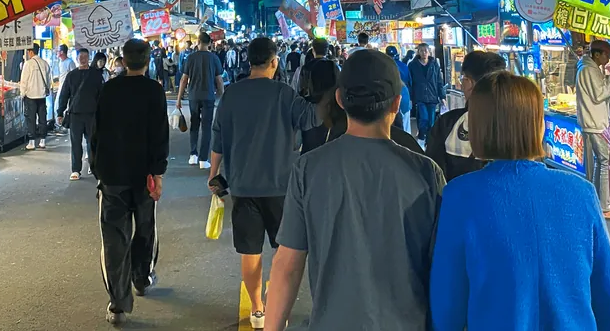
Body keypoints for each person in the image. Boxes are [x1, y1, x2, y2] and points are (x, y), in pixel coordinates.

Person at [429, 72, 610, 331]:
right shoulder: (581, 193)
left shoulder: (459, 196)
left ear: (476, 127)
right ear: (538, 125)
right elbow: (608, 298)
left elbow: (448, 306)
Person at [265, 49, 443, 331]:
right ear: (397, 103)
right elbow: (443, 268)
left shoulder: (308, 169)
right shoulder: (426, 172)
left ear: (339, 99)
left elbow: (287, 265)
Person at [209, 37, 317, 330]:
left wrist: (213, 173)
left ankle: (257, 309)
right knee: (284, 253)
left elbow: (218, 138)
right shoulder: (284, 93)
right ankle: (278, 309)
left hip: (242, 186)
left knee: (250, 251)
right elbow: (311, 120)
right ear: (274, 61)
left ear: (248, 61)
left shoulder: (231, 94)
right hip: (281, 188)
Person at [92, 40, 169, 324]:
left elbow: (95, 132)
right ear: (148, 60)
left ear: (123, 60)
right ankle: (141, 277)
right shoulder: (154, 90)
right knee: (146, 227)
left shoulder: (109, 89)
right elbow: (160, 134)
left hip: (111, 176)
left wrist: (96, 168)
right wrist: (158, 173)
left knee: (114, 238)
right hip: (145, 176)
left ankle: (118, 303)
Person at [426, 49, 507, 181]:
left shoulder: (448, 124)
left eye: (463, 78)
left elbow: (433, 175)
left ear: (469, 83)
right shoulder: (517, 122)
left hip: (455, 199)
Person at [577, 39, 610, 218]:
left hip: (591, 122)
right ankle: (605, 205)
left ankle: (596, 200)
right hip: (595, 123)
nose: (607, 58)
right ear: (597, 54)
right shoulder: (589, 70)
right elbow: (599, 94)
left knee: (599, 163)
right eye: (606, 55)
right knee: (604, 162)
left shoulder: (585, 68)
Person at [176, 31, 225, 168]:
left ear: (198, 42)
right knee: (207, 127)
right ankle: (203, 159)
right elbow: (219, 80)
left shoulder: (190, 58)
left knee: (194, 124)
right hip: (208, 96)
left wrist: (179, 99)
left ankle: (193, 155)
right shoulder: (214, 58)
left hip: (193, 96)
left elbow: (184, 79)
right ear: (210, 43)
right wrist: (223, 98)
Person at [58, 48, 106, 180]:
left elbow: (102, 95)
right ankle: (76, 170)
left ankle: (93, 165)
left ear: (88, 57)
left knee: (92, 142)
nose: (83, 59)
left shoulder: (96, 75)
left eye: (85, 56)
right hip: (75, 114)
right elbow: (64, 95)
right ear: (77, 58)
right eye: (80, 56)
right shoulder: (71, 75)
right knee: (75, 143)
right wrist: (60, 112)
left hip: (92, 114)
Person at [19, 43, 53, 151]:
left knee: (31, 118)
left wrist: (22, 94)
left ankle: (32, 142)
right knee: (42, 118)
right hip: (42, 96)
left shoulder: (28, 64)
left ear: (30, 52)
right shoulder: (45, 63)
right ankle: (42, 141)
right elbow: (48, 80)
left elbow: (24, 81)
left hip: (30, 96)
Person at [407, 43, 443, 143]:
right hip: (419, 96)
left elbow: (439, 81)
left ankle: (429, 141)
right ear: (418, 52)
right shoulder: (413, 65)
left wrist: (442, 96)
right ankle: (422, 137)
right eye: (422, 51)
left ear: (429, 52)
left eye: (426, 50)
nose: (424, 53)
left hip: (432, 96)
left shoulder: (434, 63)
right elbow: (410, 82)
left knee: (431, 121)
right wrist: (411, 96)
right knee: (424, 118)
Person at [385, 45, 413, 132]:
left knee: (393, 128)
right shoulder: (404, 66)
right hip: (405, 98)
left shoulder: (384, 67)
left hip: (390, 99)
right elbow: (410, 83)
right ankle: (408, 144)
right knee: (406, 127)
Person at [52, 44, 75, 132]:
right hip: (61, 86)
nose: (57, 53)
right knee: (57, 106)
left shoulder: (70, 62)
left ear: (62, 52)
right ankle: (59, 124)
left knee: (60, 105)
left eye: (58, 51)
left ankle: (62, 124)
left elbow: (73, 75)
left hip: (67, 88)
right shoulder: (60, 62)